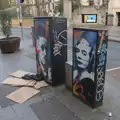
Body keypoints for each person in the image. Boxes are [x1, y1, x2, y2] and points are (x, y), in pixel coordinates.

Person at [73, 31, 97, 103]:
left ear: (92, 55)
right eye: (77, 50)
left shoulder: (90, 80)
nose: (79, 56)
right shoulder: (76, 72)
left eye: (84, 53)